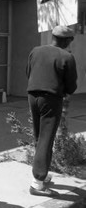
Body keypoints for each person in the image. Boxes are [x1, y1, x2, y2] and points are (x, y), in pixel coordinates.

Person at [26, 25, 77, 197]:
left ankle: (43, 174)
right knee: (46, 139)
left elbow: (28, 72)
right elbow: (71, 86)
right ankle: (37, 183)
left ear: (53, 37)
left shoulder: (36, 51)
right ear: (68, 40)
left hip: (32, 95)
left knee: (39, 136)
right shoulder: (67, 57)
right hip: (51, 99)